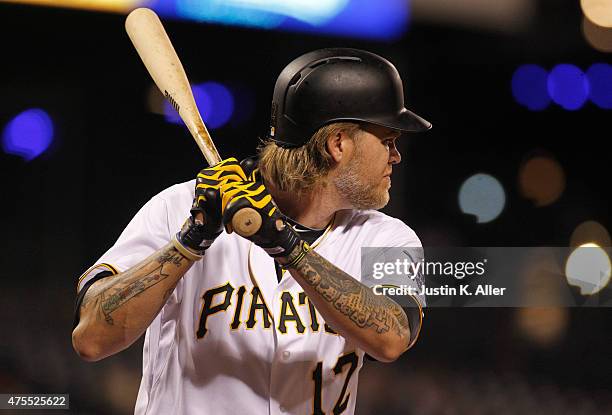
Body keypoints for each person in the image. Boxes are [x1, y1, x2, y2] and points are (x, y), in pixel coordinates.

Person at [72, 48, 431, 415]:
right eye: (387, 141)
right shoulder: (182, 207)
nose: (395, 156)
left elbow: (392, 338)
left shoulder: (387, 238)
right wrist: (190, 241)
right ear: (337, 143)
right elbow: (92, 338)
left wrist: (285, 245)